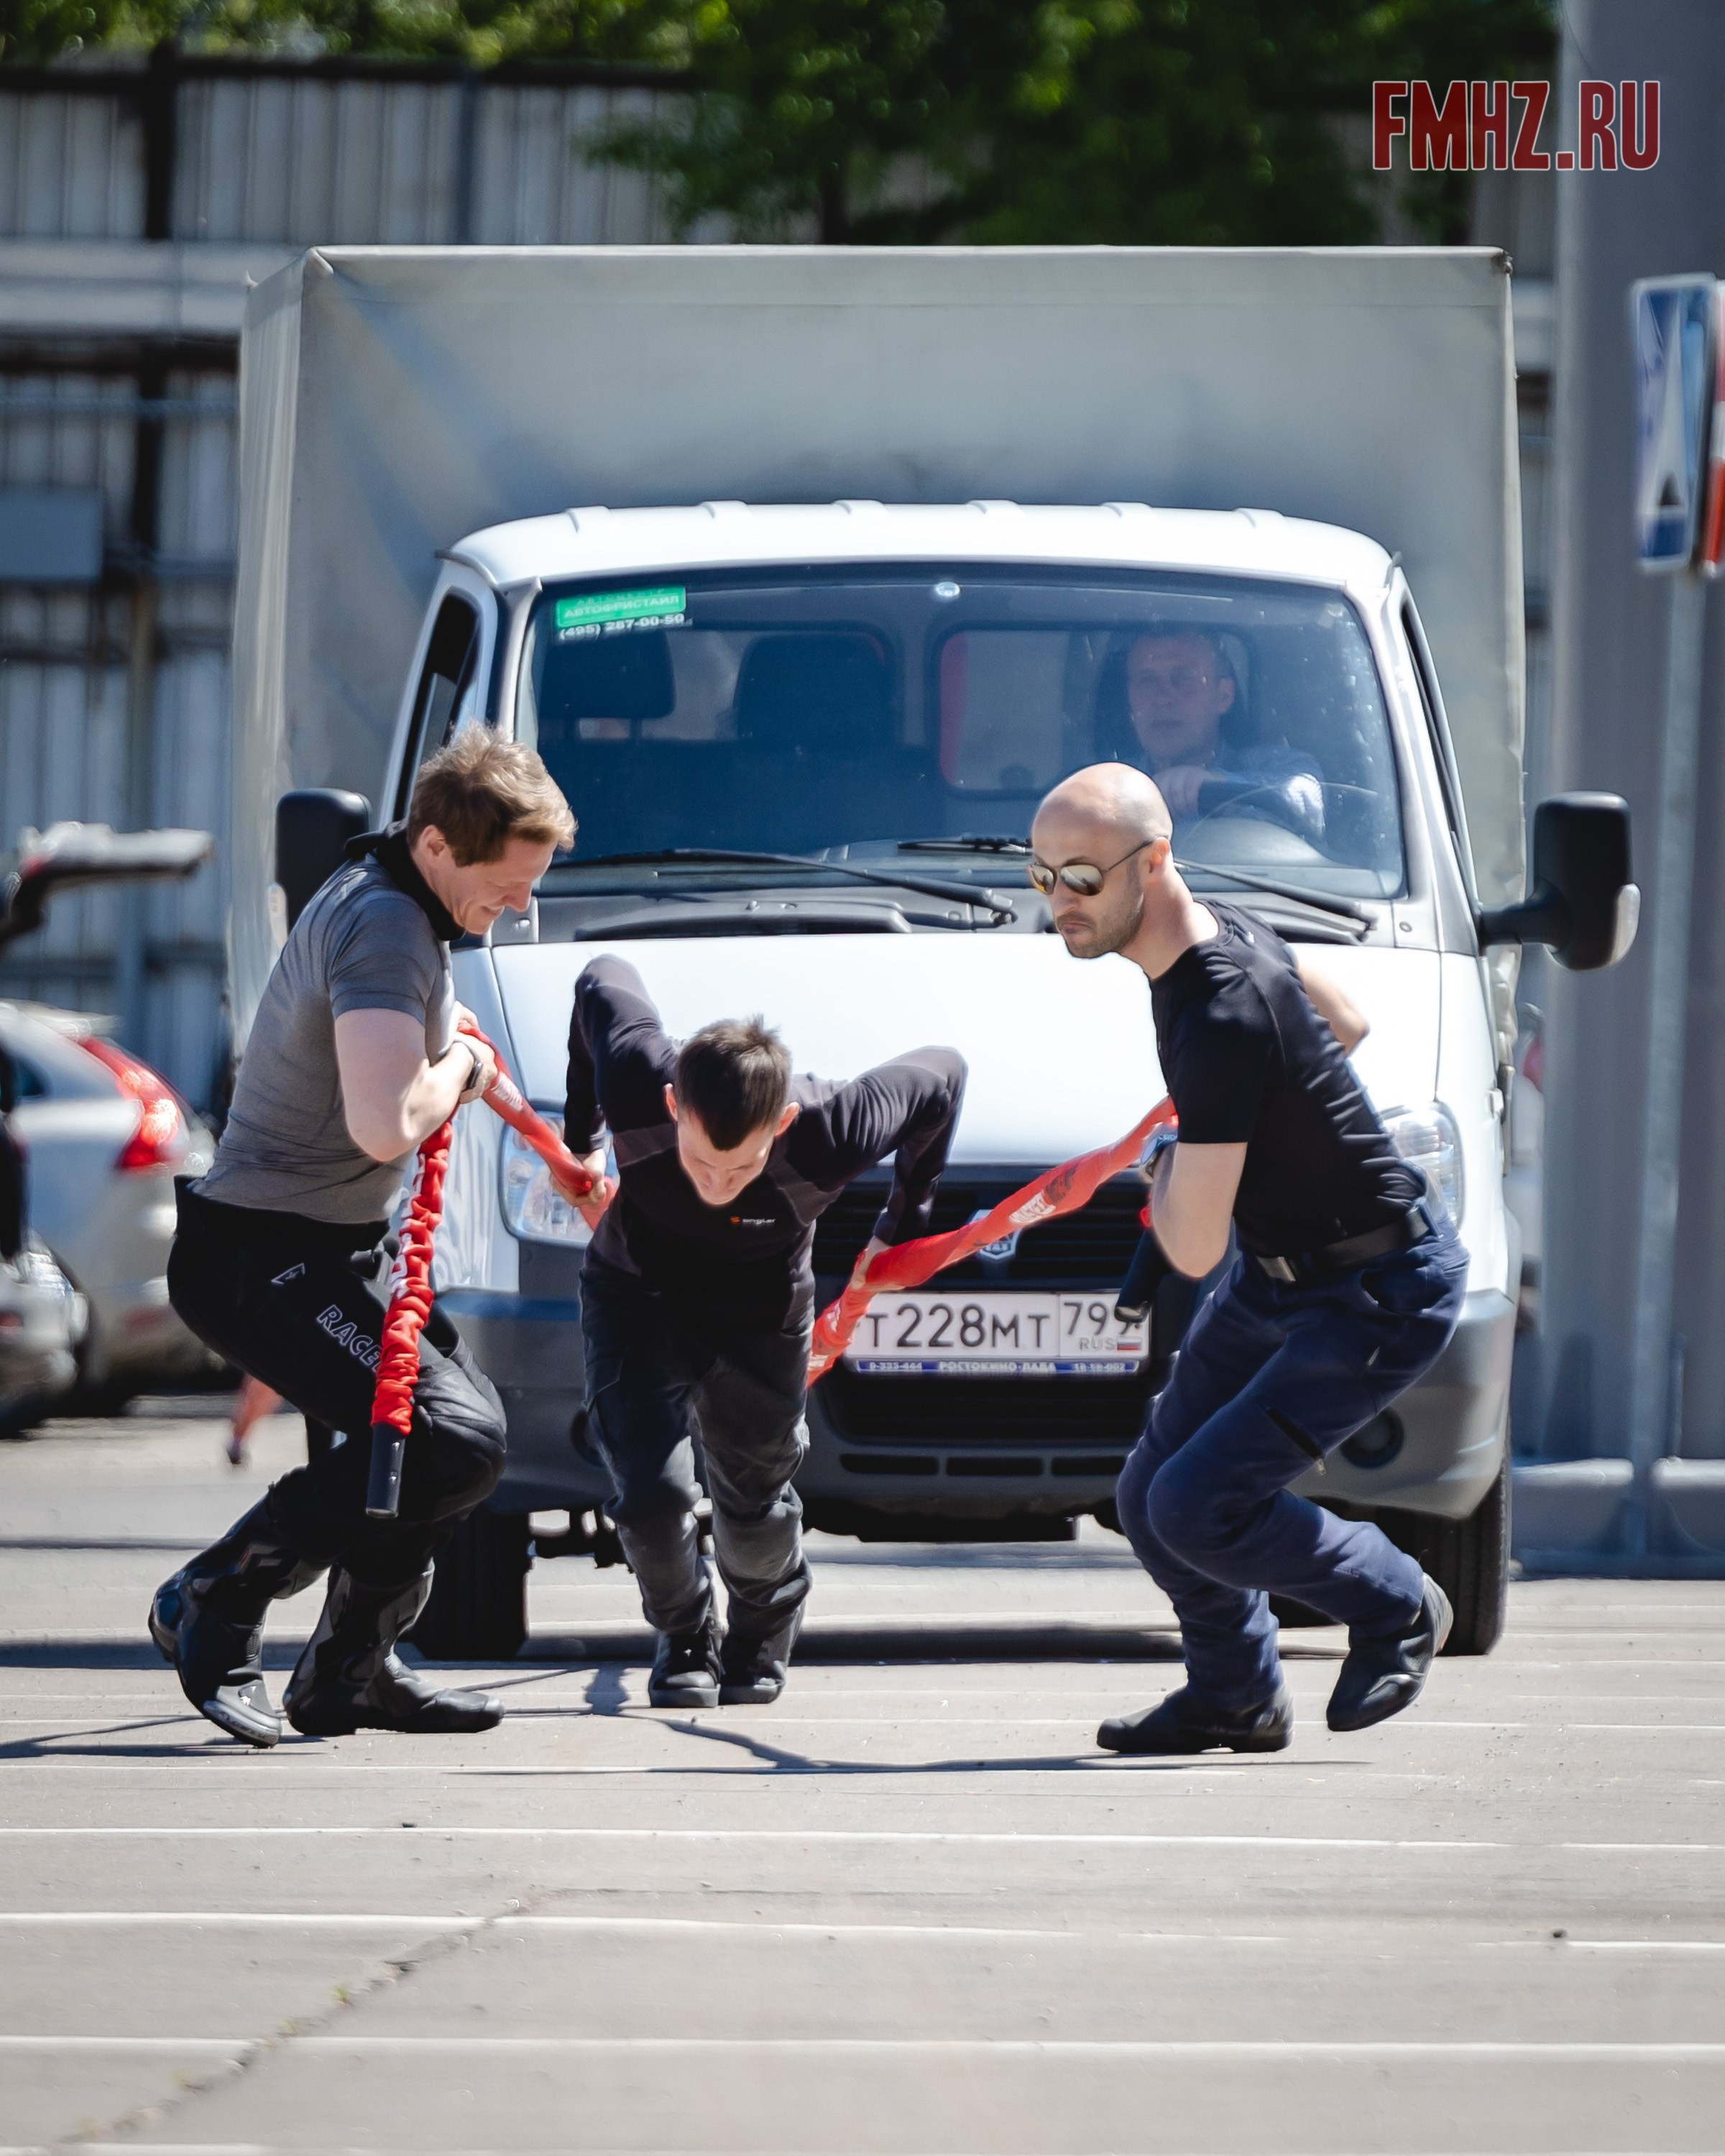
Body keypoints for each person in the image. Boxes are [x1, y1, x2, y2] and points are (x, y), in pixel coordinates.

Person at [1029, 763, 1468, 1754]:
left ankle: (1399, 1602)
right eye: (1042, 875)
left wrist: (1172, 1161)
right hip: (1286, 1274)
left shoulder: (1216, 1009)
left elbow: (1187, 1246)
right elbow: (1344, 1021)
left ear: (1154, 862)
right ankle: (1236, 1694)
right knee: (1149, 1497)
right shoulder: (1217, 925)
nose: (1060, 901)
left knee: (1198, 1503)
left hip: (1376, 1292)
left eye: (1084, 878)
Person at [150, 730, 576, 1749]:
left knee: (451, 1437)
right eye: (508, 884)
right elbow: (388, 1122)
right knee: (448, 1438)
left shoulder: (394, 895)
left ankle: (348, 1673)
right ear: (436, 845)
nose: (520, 906)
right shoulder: (387, 923)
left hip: (324, 1247)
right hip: (260, 1256)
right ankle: (214, 1598)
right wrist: (464, 1073)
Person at [563, 957, 965, 1709]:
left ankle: (757, 1631)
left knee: (753, 1502)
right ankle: (684, 1633)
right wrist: (580, 1132)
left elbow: (942, 1074)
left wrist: (902, 1223)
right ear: (673, 1105)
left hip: (761, 1315)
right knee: (649, 1497)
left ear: (779, 1126)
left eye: (740, 1167)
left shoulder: (831, 1128)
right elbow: (601, 979)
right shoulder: (636, 1077)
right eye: (701, 1162)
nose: (717, 1185)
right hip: (636, 1296)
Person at [1118, 628, 1324, 846]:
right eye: (1147, 681)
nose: (1162, 698)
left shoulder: (1278, 766)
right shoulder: (1105, 786)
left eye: (1183, 679)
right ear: (1130, 699)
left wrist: (1217, 786)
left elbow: (1307, 801)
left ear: (1224, 696)